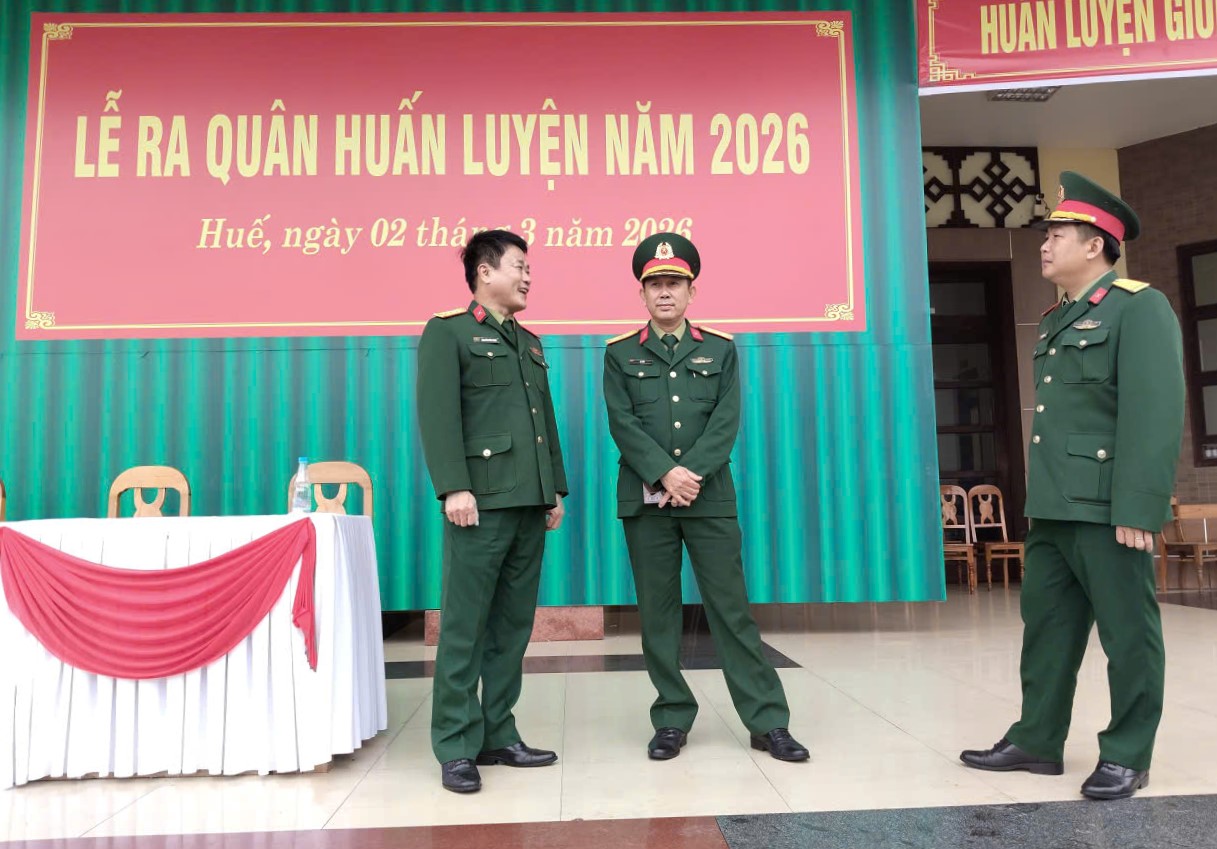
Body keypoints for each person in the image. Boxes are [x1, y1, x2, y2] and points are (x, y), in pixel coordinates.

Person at [960, 172, 1185, 800]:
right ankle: (1036, 739)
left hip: (1110, 508)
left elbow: (1153, 413)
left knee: (1127, 635)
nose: (1044, 244)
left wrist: (1139, 506)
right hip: (1055, 505)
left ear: (1095, 245)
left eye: (1057, 235)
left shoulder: (1139, 307)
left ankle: (1128, 753)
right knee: (1047, 631)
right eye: (1047, 235)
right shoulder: (1058, 317)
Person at [602, 232, 809, 763]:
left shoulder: (720, 349)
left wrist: (687, 474)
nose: (664, 292)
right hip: (645, 502)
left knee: (731, 609)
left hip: (708, 495)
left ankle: (767, 721)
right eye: (655, 284)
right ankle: (671, 717)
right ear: (642, 294)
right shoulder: (619, 353)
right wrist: (664, 474)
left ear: (691, 291)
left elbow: (726, 420)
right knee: (659, 614)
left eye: (674, 283)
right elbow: (622, 423)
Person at [416, 229, 568, 793]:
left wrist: (555, 488)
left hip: (529, 503)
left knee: (511, 627)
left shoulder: (530, 342)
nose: (528, 277)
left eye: (529, 269)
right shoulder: (449, 332)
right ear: (485, 271)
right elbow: (438, 415)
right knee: (465, 626)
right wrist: (453, 487)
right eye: (518, 266)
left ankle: (498, 733)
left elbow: (543, 421)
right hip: (478, 504)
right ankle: (456, 744)